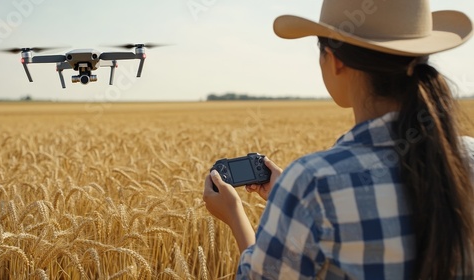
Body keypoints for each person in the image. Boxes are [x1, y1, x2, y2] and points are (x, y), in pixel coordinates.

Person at [203, 0, 474, 279]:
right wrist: (289, 200)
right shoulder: (467, 155)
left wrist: (235, 214)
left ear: (336, 61)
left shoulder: (312, 184)